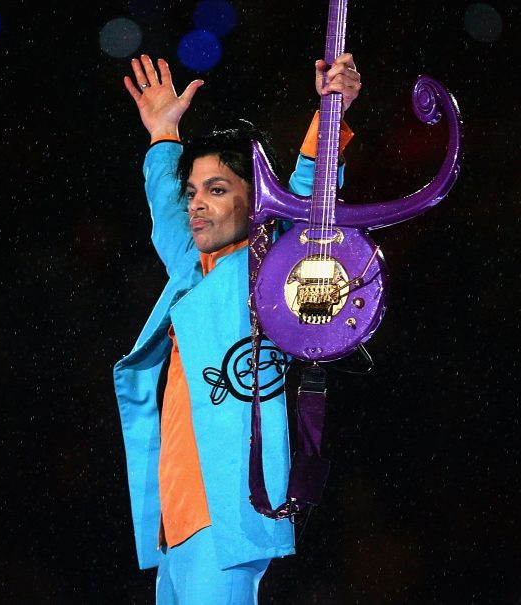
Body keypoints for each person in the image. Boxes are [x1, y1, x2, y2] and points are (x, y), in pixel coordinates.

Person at [113, 52, 362, 604]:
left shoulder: (266, 268)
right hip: (175, 529)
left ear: (258, 204)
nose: (197, 205)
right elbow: (167, 215)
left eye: (218, 190)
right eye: (194, 191)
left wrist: (329, 110)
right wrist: (162, 135)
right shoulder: (192, 275)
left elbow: (309, 200)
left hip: (224, 520)